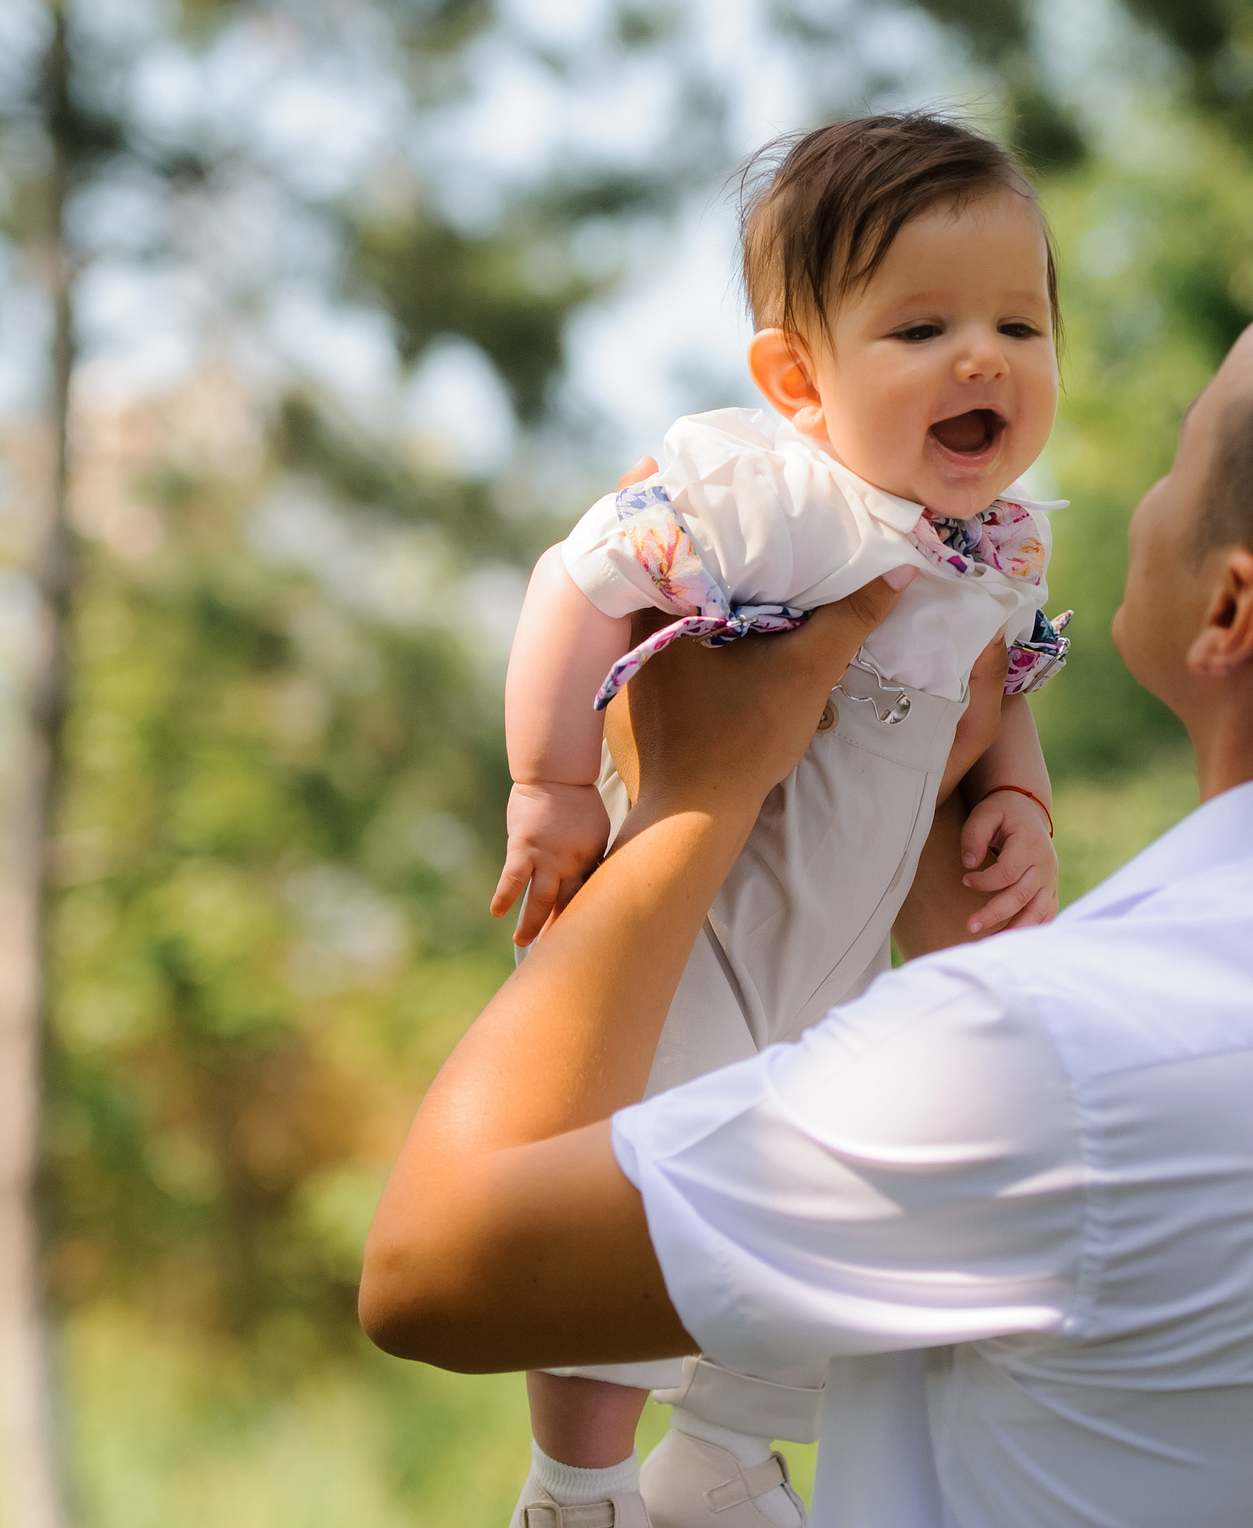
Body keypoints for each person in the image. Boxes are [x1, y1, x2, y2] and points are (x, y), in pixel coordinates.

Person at [365, 232, 1253, 1527]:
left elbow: (433, 1270)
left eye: (1187, 459)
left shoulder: (1052, 1059)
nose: (1142, 497)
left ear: (1232, 609)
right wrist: (903, 811)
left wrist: (698, 798)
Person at [486, 113, 1076, 1526]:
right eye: (921, 328)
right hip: (699, 925)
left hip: (841, 957)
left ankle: (724, 1458)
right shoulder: (772, 500)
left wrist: (1019, 797)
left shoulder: (997, 542)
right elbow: (582, 578)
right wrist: (550, 785)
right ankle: (579, 1483)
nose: (983, 359)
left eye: (1019, 324)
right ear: (798, 382)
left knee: (821, 1199)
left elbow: (995, 687)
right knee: (629, 1190)